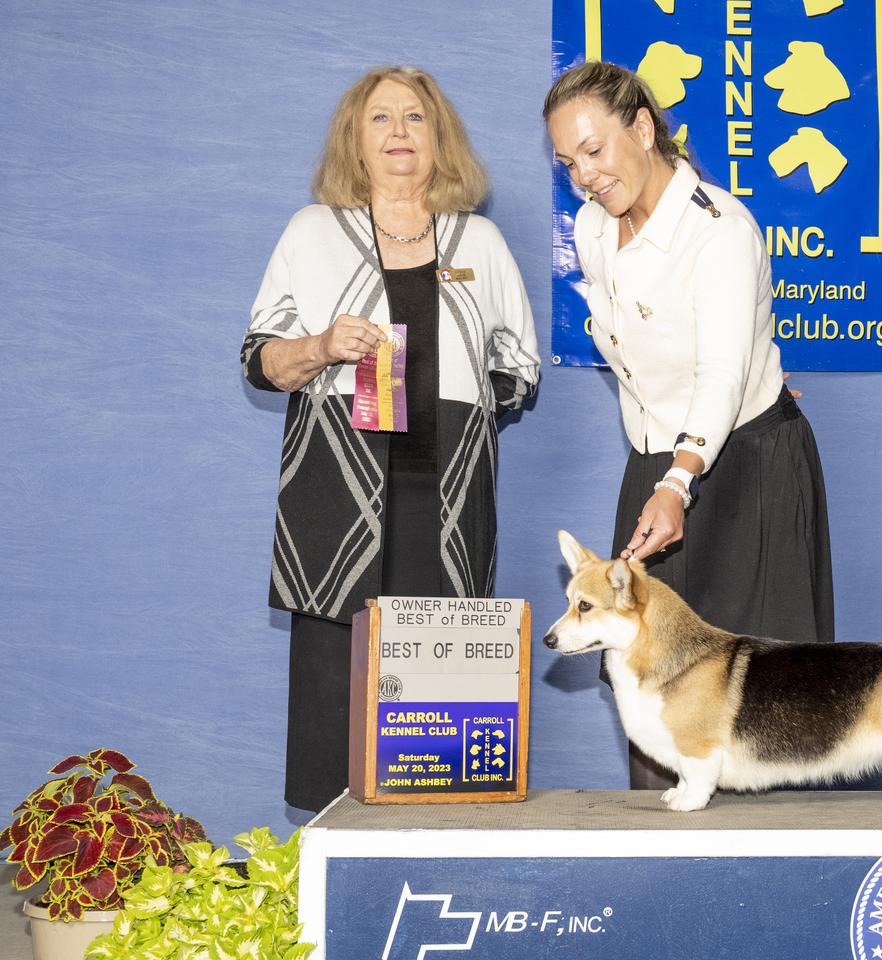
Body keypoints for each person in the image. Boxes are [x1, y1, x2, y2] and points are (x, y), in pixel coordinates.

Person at [242, 66, 539, 812]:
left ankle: (437, 858)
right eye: (381, 119)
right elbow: (259, 359)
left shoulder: (482, 240)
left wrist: (465, 414)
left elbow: (521, 368)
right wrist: (319, 347)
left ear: (441, 140)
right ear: (356, 140)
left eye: (415, 118)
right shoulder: (312, 233)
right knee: (334, 704)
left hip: (448, 508)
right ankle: (336, 867)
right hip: (337, 503)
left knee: (445, 716)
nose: (400, 133)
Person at [544, 61, 833, 788]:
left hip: (744, 471)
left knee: (766, 700)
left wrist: (679, 478)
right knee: (646, 678)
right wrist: (663, 474)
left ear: (642, 127)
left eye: (594, 150)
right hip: (658, 464)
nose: (583, 175)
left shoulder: (720, 229)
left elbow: (722, 376)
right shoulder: (590, 227)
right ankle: (656, 877)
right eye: (567, 161)